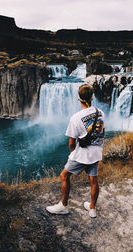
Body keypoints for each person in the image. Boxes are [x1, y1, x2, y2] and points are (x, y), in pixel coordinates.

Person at [46, 84, 105, 218]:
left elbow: (72, 142)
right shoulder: (101, 113)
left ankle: (63, 206)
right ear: (92, 97)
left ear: (79, 98)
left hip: (81, 154)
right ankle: (92, 209)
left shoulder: (76, 118)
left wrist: (73, 153)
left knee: (64, 176)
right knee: (93, 181)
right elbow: (101, 131)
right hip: (96, 152)